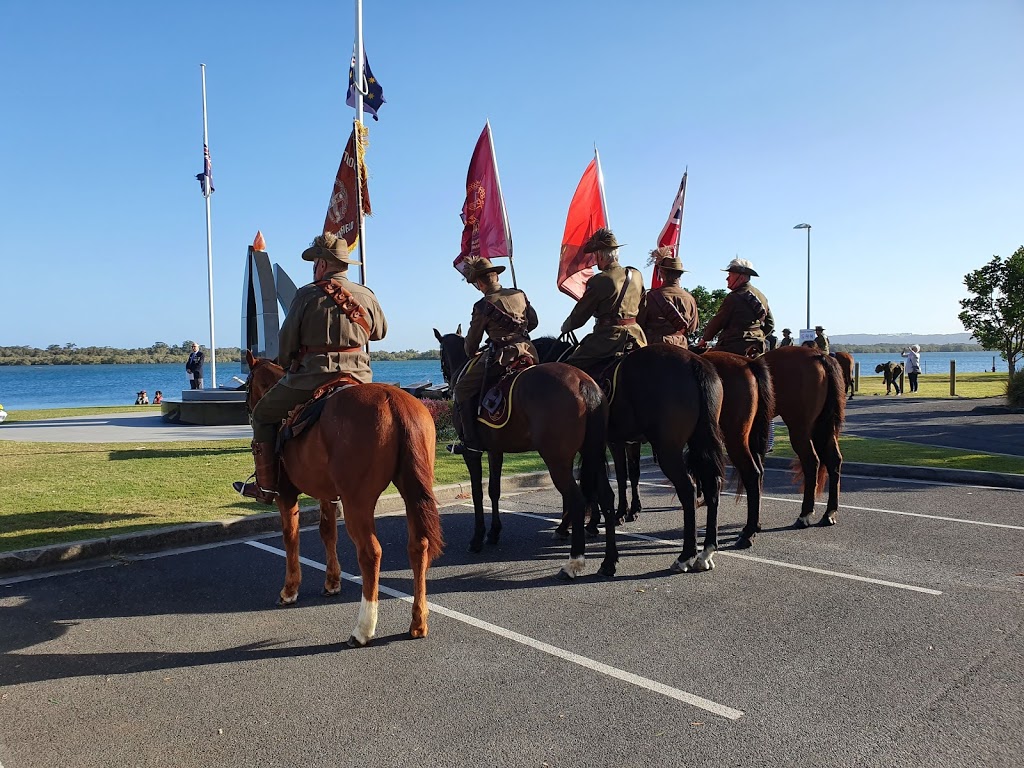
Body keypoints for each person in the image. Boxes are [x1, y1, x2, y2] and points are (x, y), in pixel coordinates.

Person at [232, 232, 387, 503]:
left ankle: (266, 487)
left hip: (313, 378)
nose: (314, 267)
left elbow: (286, 345)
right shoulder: (367, 294)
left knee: (263, 415)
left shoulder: (306, 295)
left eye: (315, 262)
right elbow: (380, 332)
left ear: (323, 264)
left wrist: (290, 362)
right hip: (361, 378)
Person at [449, 256, 539, 455]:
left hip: (502, 356)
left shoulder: (483, 305)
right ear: (496, 276)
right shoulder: (520, 294)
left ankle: (470, 443)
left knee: (462, 389)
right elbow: (533, 322)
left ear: (480, 283)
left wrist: (473, 351)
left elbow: (471, 344)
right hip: (529, 351)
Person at [560, 228, 647, 373]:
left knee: (569, 369)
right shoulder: (636, 275)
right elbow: (643, 306)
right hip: (637, 338)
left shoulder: (600, 280)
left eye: (594, 255)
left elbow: (580, 315)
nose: (593, 259)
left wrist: (566, 327)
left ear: (600, 255)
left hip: (608, 340)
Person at [696, 257, 774, 356]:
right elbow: (770, 324)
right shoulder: (761, 296)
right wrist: (758, 336)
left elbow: (718, 322)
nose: (727, 278)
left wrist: (704, 339)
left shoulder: (733, 297)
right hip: (757, 348)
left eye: (730, 275)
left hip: (732, 347)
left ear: (741, 278)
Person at [637, 247, 698, 347]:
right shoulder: (690, 299)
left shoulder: (650, 297)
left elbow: (639, 324)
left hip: (654, 348)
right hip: (681, 348)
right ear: (680, 274)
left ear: (662, 273)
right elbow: (692, 328)